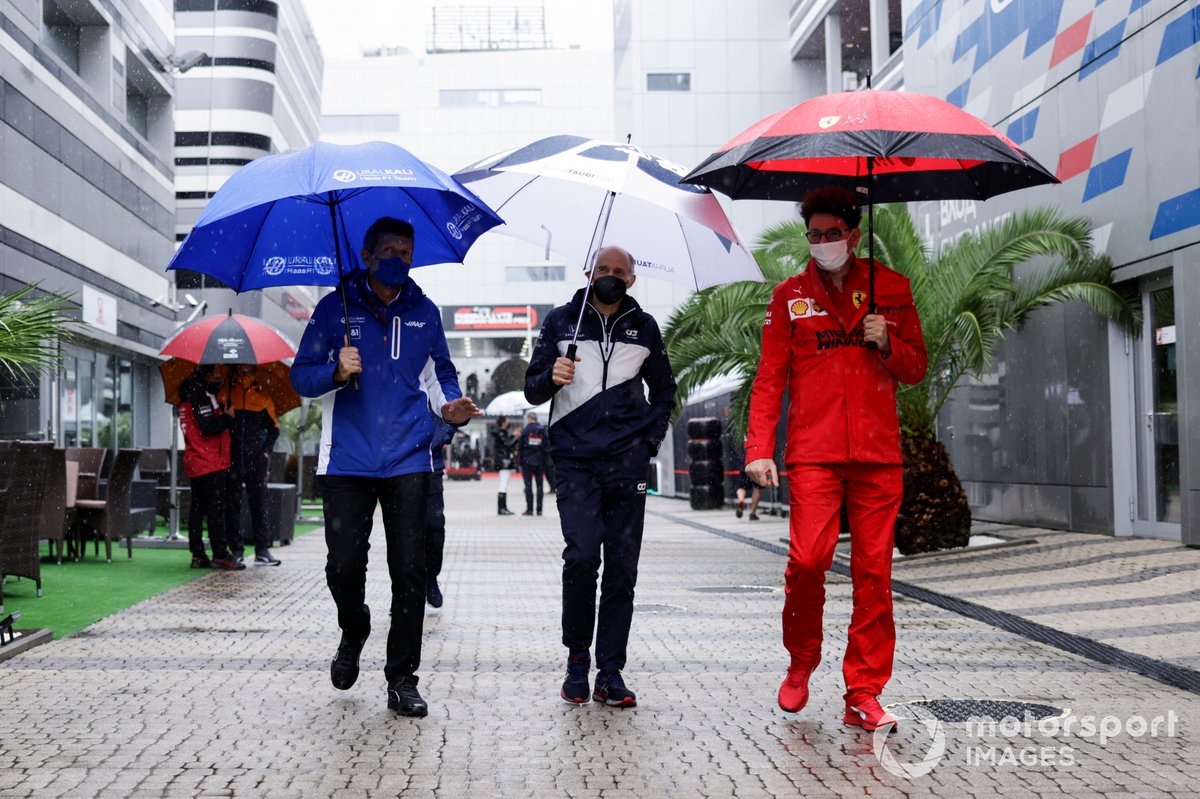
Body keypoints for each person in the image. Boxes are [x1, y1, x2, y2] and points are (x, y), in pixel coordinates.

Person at [744, 186, 927, 731]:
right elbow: (770, 377)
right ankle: (802, 661)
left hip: (877, 456)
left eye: (832, 234)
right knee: (807, 561)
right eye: (814, 235)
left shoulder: (890, 289)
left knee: (874, 574)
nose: (823, 243)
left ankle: (863, 691)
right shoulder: (789, 296)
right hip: (815, 454)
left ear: (853, 233)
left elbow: (916, 367)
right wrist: (759, 450)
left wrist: (887, 340)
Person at [290, 216, 479, 718]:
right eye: (389, 251)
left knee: (410, 572)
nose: (399, 259)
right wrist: (334, 368)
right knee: (343, 567)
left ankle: (402, 678)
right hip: (346, 460)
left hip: (408, 459)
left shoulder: (424, 312)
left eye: (406, 251)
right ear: (367, 255)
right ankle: (354, 629)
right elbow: (299, 378)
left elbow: (441, 376)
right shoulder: (334, 309)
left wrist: (452, 407)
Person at [525, 245, 677, 708]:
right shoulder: (559, 322)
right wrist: (552, 376)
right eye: (603, 270)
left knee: (622, 571)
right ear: (588, 273)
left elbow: (666, 390)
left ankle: (610, 672)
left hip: (627, 464)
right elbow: (531, 391)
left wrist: (646, 444)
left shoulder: (645, 326)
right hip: (574, 461)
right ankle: (577, 660)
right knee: (582, 558)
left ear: (631, 279)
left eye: (619, 272)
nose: (610, 277)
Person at [177, 364, 243, 571]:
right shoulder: (199, 396)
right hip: (209, 461)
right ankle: (220, 554)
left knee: (198, 509)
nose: (217, 376)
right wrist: (227, 416)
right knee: (215, 509)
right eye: (213, 372)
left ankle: (198, 554)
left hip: (198, 461)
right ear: (204, 374)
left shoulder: (192, 395)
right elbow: (208, 427)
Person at [219, 364, 282, 567]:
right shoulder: (225, 392)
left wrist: (265, 452)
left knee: (259, 504)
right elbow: (217, 424)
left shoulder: (263, 397)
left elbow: (274, 429)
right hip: (232, 458)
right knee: (232, 504)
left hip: (256, 460)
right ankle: (236, 550)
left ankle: (262, 550)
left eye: (249, 364)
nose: (245, 367)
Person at [424, 419, 455, 608]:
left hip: (432, 466)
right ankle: (403, 590)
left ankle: (431, 576)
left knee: (435, 527)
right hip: (400, 466)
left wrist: (439, 436)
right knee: (403, 531)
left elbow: (451, 404)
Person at [517, 411, 547, 515]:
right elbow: (546, 447)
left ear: (529, 419)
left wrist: (520, 462)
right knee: (540, 486)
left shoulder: (525, 431)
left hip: (527, 463)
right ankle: (539, 510)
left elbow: (520, 447)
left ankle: (529, 509)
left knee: (528, 486)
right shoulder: (542, 430)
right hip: (539, 462)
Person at [490, 415, 518, 515]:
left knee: (504, 484)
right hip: (504, 462)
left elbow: (506, 444)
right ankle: (501, 508)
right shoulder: (500, 433)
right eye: (507, 420)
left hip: (504, 461)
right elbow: (508, 445)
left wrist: (513, 437)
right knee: (503, 484)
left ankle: (503, 507)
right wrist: (515, 437)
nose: (509, 421)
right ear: (503, 422)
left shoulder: (501, 433)